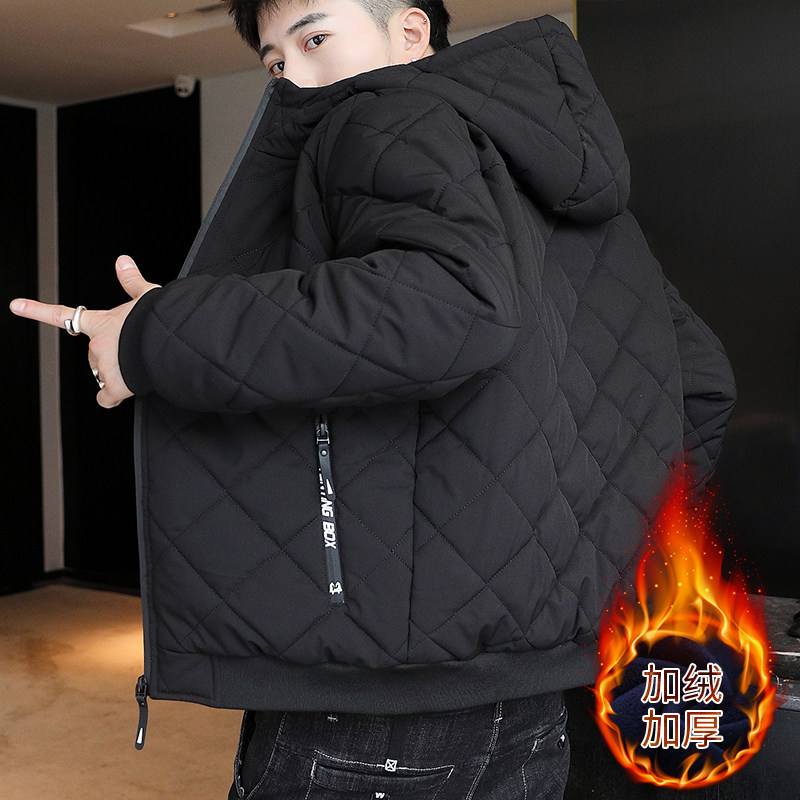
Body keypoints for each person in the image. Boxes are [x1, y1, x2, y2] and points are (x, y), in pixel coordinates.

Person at [9, 1, 736, 797]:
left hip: (384, 686)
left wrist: (152, 337)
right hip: (541, 687)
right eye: (275, 62)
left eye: (316, 38)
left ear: (410, 32)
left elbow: (451, 308)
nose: (295, 78)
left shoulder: (379, 116)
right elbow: (699, 381)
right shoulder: (550, 175)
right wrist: (590, 566)